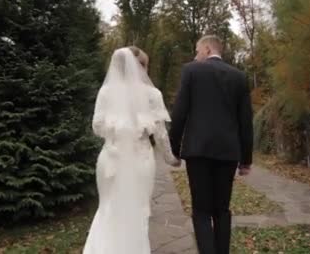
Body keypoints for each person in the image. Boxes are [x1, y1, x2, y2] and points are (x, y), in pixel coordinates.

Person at [83, 47, 180, 254]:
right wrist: (171, 159)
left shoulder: (106, 92)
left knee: (109, 209)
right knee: (138, 211)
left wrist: (118, 130)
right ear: (141, 67)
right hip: (140, 160)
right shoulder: (153, 94)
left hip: (110, 158)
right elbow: (161, 135)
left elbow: (97, 127)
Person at [170, 35, 253, 254]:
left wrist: (174, 150)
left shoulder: (191, 71)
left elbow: (179, 113)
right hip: (227, 152)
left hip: (197, 151)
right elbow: (246, 121)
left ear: (207, 49)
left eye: (197, 51)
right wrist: (246, 160)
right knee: (222, 210)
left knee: (201, 210)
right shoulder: (239, 76)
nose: (195, 55)